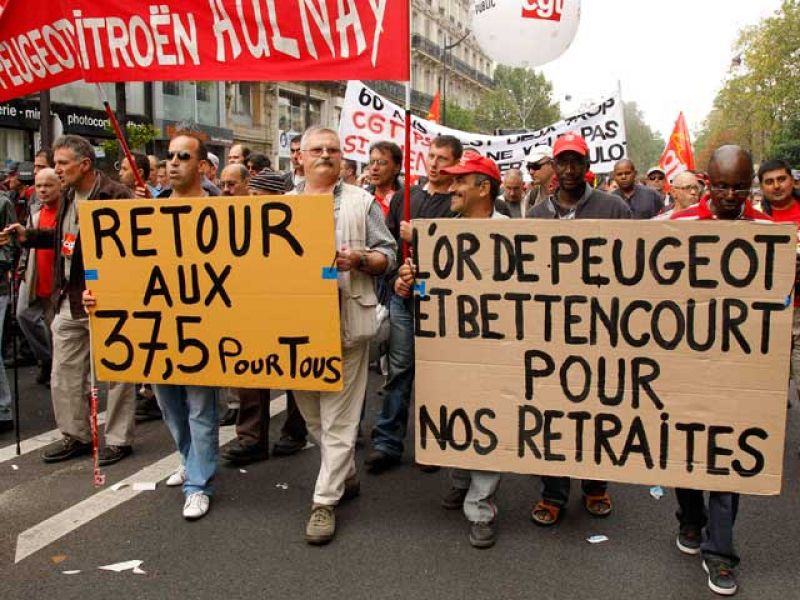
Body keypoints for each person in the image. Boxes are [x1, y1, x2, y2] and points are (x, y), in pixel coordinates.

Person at [86, 132, 221, 520]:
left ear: (201, 165)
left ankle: (199, 484)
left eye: (183, 156)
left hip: (205, 326)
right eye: (170, 156)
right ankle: (190, 457)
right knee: (170, 407)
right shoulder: (146, 210)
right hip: (157, 330)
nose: (173, 162)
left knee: (200, 408)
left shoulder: (223, 209)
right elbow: (120, 268)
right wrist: (99, 295)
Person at [670, 145, 771, 597]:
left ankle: (721, 552)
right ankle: (690, 518)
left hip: (741, 370)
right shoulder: (674, 228)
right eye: (722, 186)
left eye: (740, 187)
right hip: (683, 366)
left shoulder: (771, 232)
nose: (731, 195)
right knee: (683, 449)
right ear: (706, 183)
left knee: (727, 460)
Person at [0, 135, 136, 464]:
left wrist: (112, 286)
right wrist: (28, 236)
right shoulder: (68, 195)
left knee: (118, 371)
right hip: (70, 299)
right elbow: (65, 241)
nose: (55, 170)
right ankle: (75, 434)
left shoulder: (116, 195)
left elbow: (135, 249)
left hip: (108, 300)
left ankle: (118, 439)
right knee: (64, 373)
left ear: (84, 164)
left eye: (62, 164)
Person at [290, 126, 396, 544]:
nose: (326, 155)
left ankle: (324, 502)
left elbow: (387, 256)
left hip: (348, 322)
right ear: (300, 157)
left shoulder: (363, 202)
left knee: (338, 419)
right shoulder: (281, 206)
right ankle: (345, 472)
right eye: (317, 149)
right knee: (314, 416)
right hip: (297, 331)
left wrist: (361, 259)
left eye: (333, 150)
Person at [401, 152, 506, 548]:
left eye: (462, 182)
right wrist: (411, 281)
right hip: (450, 347)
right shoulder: (443, 232)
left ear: (484, 189)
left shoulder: (515, 232)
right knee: (456, 414)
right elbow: (431, 289)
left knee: (489, 421)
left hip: (493, 350)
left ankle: (481, 506)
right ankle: (461, 480)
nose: (453, 188)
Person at [528, 132, 631, 525]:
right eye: (563, 162)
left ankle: (595, 486)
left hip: (601, 330)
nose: (570, 170)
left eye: (577, 162)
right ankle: (552, 491)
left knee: (597, 410)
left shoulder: (613, 208)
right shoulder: (536, 216)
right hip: (550, 333)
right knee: (551, 410)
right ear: (555, 167)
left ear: (588, 167)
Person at [366, 135, 461, 473]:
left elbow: (461, 250)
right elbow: (388, 250)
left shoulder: (459, 201)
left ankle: (435, 442)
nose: (434, 164)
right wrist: (396, 280)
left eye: (443, 159)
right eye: (431, 156)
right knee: (400, 372)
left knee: (439, 377)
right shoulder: (406, 198)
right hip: (404, 301)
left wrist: (419, 237)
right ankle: (387, 442)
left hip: (443, 304)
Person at [756, 159, 800, 403]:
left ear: (792, 180)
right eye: (769, 182)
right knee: (771, 387)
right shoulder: (755, 219)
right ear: (762, 187)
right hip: (770, 314)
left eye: (781, 179)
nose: (776, 186)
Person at [16, 168, 60, 389]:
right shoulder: (35, 213)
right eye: (39, 185)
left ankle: (56, 372)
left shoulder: (69, 212)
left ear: (60, 185)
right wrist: (22, 271)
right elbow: (27, 249)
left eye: (48, 185)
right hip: (35, 278)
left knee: (56, 330)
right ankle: (46, 358)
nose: (43, 190)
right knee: (23, 315)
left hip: (57, 285)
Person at [366, 141, 402, 216]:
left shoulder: (408, 201)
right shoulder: (362, 198)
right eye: (372, 162)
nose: (374, 167)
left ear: (396, 168)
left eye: (382, 162)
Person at [523, 146, 555, 210]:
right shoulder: (532, 195)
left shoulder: (566, 192)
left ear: (552, 164)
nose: (531, 172)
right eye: (529, 167)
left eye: (536, 166)